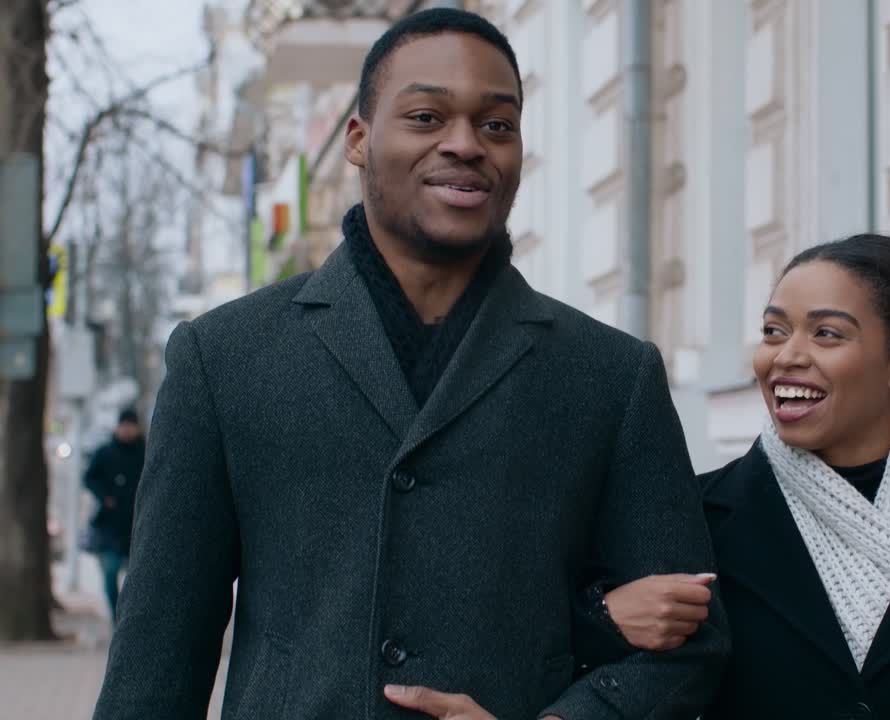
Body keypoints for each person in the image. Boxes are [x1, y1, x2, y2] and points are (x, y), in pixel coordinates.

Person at [92, 8, 727, 719]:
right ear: (359, 141)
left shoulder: (612, 376)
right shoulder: (225, 358)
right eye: (426, 117)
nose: (466, 145)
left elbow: (689, 650)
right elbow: (156, 661)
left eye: (497, 125)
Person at [576, 234, 890, 720]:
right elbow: (589, 665)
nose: (786, 356)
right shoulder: (693, 515)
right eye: (774, 331)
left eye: (826, 333)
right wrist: (603, 617)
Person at [82, 407, 145, 624]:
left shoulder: (145, 452)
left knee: (136, 578)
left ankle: (129, 618)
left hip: (137, 523)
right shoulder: (106, 452)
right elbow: (89, 478)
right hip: (109, 525)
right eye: (123, 425)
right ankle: (116, 617)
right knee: (110, 573)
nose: (127, 430)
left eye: (130, 425)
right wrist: (105, 496)